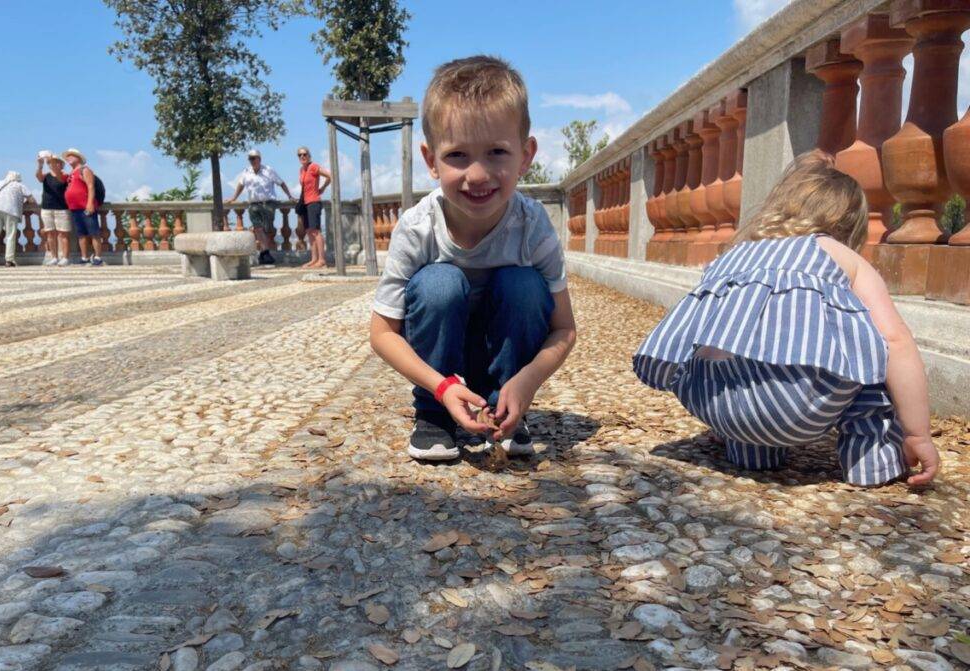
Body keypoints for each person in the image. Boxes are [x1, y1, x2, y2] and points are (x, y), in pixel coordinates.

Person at [633, 151, 940, 487]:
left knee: (742, 347)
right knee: (872, 360)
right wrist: (917, 433)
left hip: (710, 398)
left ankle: (752, 451)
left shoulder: (736, 253)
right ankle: (872, 465)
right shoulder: (838, 254)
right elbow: (896, 340)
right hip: (791, 407)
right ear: (848, 225)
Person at [369, 56, 576, 461]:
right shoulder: (417, 227)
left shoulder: (532, 226)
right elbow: (382, 333)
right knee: (439, 284)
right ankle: (433, 417)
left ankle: (506, 408)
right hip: (440, 366)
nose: (478, 174)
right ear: (431, 161)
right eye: (458, 155)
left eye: (497, 151)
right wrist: (441, 387)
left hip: (506, 357)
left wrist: (527, 381)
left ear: (525, 154)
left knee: (524, 285)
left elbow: (564, 329)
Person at [226, 149, 295, 265]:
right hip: (254, 204)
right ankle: (265, 253)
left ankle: (264, 253)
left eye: (253, 158)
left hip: (268, 203)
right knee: (258, 228)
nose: (252, 161)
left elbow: (281, 183)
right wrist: (234, 197)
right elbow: (240, 185)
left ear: (259, 159)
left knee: (267, 229)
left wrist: (289, 195)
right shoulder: (246, 172)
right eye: (250, 158)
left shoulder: (268, 170)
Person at [62, 148, 104, 266]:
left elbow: (91, 187)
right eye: (68, 156)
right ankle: (84, 257)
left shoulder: (85, 170)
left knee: (94, 233)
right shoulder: (71, 173)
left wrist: (90, 203)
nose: (68, 158)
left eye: (72, 155)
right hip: (75, 208)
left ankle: (98, 256)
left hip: (85, 206)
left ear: (79, 158)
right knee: (81, 234)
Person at [0, 171, 35, 268]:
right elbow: (32, 200)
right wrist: (22, 203)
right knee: (10, 235)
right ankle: (9, 260)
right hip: (11, 210)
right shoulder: (20, 185)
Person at [296, 146, 332, 268]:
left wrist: (322, 188)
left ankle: (322, 260)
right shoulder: (302, 170)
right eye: (300, 155)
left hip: (314, 202)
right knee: (309, 231)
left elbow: (329, 176)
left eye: (304, 154)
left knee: (316, 231)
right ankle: (314, 259)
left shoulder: (313, 167)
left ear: (309, 156)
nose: (302, 156)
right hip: (305, 203)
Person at [36, 153, 71, 266]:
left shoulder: (65, 175)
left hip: (62, 208)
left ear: (61, 165)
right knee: (50, 234)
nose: (52, 164)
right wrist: (40, 166)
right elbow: (38, 177)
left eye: (55, 162)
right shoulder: (46, 176)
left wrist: (55, 167)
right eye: (51, 162)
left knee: (63, 234)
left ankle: (65, 257)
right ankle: (54, 257)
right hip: (47, 208)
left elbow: (60, 179)